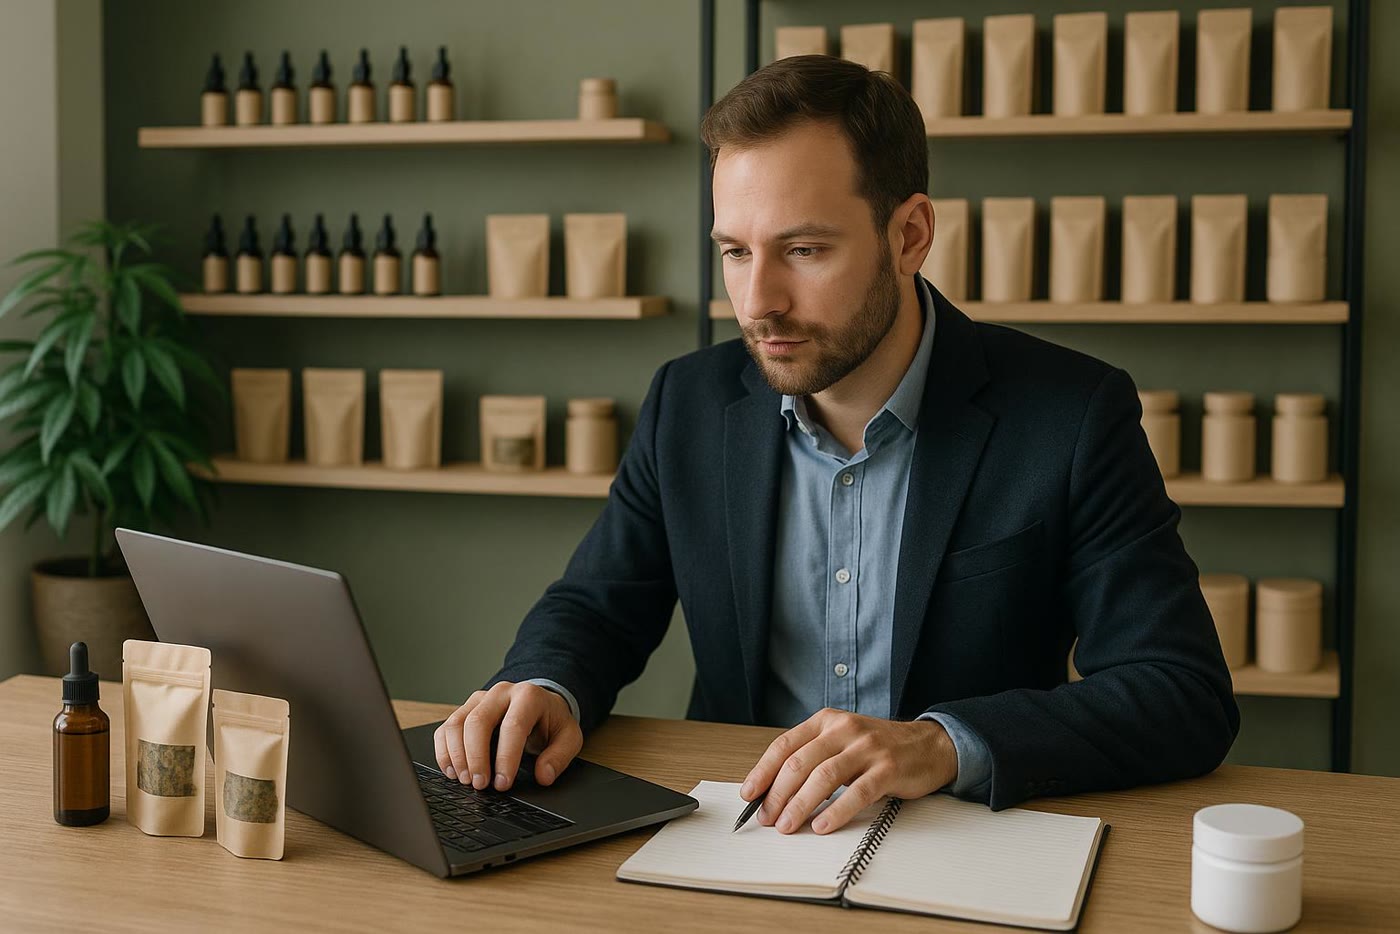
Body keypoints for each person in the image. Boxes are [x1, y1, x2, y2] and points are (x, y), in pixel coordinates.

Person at [434, 55, 1239, 836]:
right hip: (737, 834)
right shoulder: (689, 401)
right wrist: (543, 685)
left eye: (804, 250)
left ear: (910, 235)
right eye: (736, 252)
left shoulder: (1072, 413)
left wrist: (938, 743)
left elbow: (1180, 692)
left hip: (963, 839)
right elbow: (597, 605)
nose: (757, 303)